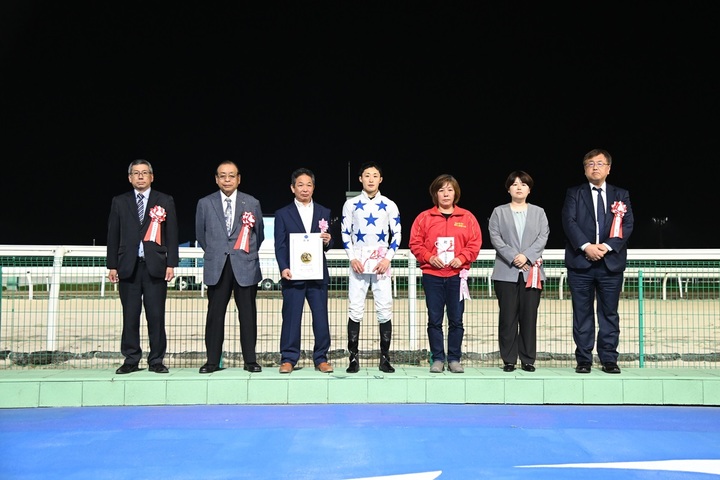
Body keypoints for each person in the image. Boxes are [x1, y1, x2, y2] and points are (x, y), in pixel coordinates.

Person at [562, 148, 634, 374]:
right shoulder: (574, 193)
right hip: (580, 263)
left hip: (610, 264)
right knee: (581, 314)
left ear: (608, 168)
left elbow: (627, 224)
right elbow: (569, 221)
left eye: (600, 163)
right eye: (590, 164)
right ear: (585, 170)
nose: (595, 167)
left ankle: (609, 359)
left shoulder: (621, 194)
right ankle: (584, 359)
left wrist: (606, 247)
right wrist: (587, 246)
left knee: (609, 314)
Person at [106, 159, 179, 374]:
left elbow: (172, 233)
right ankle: (131, 359)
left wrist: (171, 263)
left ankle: (156, 360)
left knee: (156, 316)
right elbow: (113, 234)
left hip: (155, 266)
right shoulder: (119, 202)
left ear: (151, 177)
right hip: (127, 267)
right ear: (130, 178)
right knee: (130, 316)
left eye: (144, 172)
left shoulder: (164, 200)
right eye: (136, 173)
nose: (140, 176)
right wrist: (112, 265)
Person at [195, 160, 265, 374]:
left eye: (231, 175)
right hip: (217, 266)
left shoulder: (252, 202)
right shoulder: (205, 203)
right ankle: (212, 361)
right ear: (216, 179)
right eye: (222, 176)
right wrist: (218, 251)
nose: (227, 180)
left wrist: (243, 253)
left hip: (245, 266)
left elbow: (259, 234)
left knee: (248, 315)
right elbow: (201, 235)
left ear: (239, 179)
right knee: (215, 316)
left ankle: (250, 360)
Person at [409, 174, 482, 374]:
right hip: (432, 275)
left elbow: (475, 243)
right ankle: (438, 358)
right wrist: (429, 257)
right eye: (441, 190)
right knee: (435, 319)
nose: (446, 194)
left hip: (457, 276)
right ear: (435, 194)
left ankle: (454, 358)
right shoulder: (424, 218)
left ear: (455, 193)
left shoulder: (467, 217)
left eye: (450, 190)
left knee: (456, 319)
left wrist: (462, 258)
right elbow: (415, 243)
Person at [341, 161, 402, 374]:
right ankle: (353, 358)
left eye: (375, 175)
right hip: (358, 264)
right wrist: (352, 258)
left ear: (380, 179)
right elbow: (345, 232)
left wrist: (387, 259)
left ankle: (385, 358)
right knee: (355, 309)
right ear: (360, 179)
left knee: (384, 309)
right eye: (367, 175)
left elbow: (397, 234)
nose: (371, 179)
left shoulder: (389, 204)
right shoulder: (350, 204)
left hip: (381, 265)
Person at [274, 168, 334, 374]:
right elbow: (280, 245)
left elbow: (328, 243)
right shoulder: (283, 214)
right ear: (293, 188)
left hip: (317, 274)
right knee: (291, 318)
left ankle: (321, 358)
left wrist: (328, 241)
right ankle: (288, 358)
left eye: (309, 185)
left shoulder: (324, 212)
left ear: (314, 188)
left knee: (321, 318)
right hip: (294, 274)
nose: (305, 189)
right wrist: (284, 267)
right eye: (300, 185)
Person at [488, 171, 549, 373]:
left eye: (523, 184)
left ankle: (528, 359)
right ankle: (509, 359)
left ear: (529, 189)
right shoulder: (499, 212)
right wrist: (514, 256)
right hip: (506, 271)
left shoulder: (539, 212)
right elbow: (495, 237)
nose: (519, 187)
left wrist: (527, 257)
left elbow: (543, 237)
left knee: (529, 317)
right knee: (507, 318)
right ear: (508, 189)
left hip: (532, 271)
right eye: (514, 184)